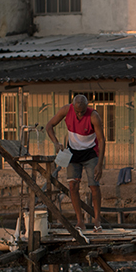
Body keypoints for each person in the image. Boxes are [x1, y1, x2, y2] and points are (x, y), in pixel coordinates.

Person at [45, 95, 106, 232]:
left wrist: (100, 164)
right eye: (77, 111)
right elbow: (49, 126)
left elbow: (101, 140)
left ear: (87, 107)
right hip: (73, 153)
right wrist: (56, 142)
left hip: (91, 153)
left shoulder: (94, 116)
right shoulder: (66, 110)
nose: (79, 114)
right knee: (73, 185)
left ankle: (97, 220)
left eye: (82, 112)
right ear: (73, 106)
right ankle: (80, 221)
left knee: (94, 185)